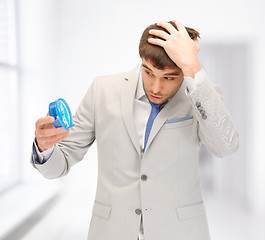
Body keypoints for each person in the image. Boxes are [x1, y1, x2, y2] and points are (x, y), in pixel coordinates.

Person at [31, 20, 239, 240]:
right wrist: (44, 147)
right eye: (149, 72)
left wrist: (193, 67)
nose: (156, 88)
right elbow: (59, 165)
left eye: (169, 77)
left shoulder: (201, 97)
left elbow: (226, 147)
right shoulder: (102, 90)